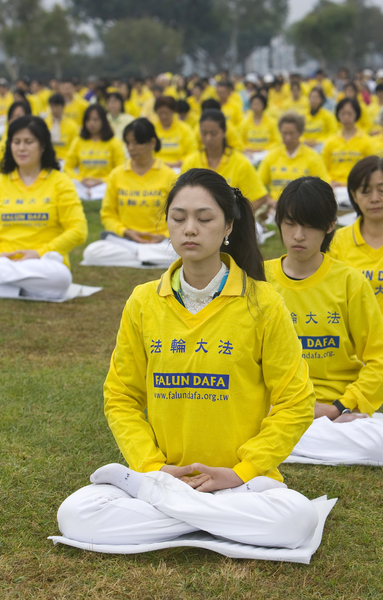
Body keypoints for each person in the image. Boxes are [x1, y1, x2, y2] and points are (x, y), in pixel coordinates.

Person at [56, 167, 319, 550]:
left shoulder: (263, 303)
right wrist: (152, 468)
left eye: (204, 219)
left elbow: (296, 401)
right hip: (162, 480)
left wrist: (241, 471)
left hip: (240, 484)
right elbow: (121, 397)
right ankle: (208, 519)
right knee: (74, 514)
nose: (189, 229)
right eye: (178, 218)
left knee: (298, 518)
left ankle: (178, 516)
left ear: (228, 225)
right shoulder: (143, 301)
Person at [264, 177, 383, 463]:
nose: (298, 235)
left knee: (380, 442)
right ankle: (288, 436)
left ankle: (282, 443)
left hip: (334, 411)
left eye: (309, 226)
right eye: (290, 224)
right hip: (275, 406)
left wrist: (339, 407)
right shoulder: (258, 280)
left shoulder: (350, 282)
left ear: (329, 226)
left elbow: (378, 359)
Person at [329, 156, 383, 388]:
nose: (375, 198)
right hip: (351, 345)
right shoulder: (336, 242)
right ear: (354, 195)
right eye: (365, 191)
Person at [0, 116, 87, 299]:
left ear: (42, 146)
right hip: (4, 260)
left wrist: (39, 253)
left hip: (43, 262)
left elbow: (78, 230)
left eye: (28, 142)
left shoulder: (60, 182)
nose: (21, 148)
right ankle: (22, 289)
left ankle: (8, 288)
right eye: (16, 142)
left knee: (61, 277)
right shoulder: (2, 182)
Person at [83, 119, 177, 267]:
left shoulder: (169, 176)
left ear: (152, 143)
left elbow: (179, 216)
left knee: (178, 252)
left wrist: (163, 236)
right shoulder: (116, 174)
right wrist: (126, 232)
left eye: (137, 143)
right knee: (92, 252)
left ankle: (142, 256)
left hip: (160, 242)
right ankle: (146, 258)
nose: (131, 148)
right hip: (125, 241)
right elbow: (107, 215)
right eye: (128, 143)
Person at [182, 109, 268, 211]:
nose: (208, 138)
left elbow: (259, 197)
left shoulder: (239, 162)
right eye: (204, 133)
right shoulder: (191, 162)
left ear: (224, 132)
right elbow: (181, 196)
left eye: (213, 133)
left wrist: (238, 216)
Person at [258, 111, 330, 209]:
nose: (288, 137)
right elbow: (258, 184)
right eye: (284, 133)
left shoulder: (313, 157)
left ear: (300, 133)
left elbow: (323, 186)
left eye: (292, 133)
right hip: (275, 206)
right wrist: (269, 200)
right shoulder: (271, 156)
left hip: (303, 207)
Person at [64, 105, 125, 201]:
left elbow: (120, 168)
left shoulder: (114, 142)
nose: (91, 123)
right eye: (88, 120)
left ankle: (90, 195)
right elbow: (67, 167)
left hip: (104, 184)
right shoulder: (78, 141)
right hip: (82, 184)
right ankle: (89, 194)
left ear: (103, 121)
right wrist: (80, 179)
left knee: (113, 186)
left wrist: (102, 180)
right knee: (70, 184)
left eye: (95, 120)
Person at [322, 98, 373, 189]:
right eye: (342, 114)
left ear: (357, 114)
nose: (346, 117)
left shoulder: (367, 141)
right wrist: (329, 181)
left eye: (350, 113)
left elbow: (371, 167)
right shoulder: (330, 141)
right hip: (334, 187)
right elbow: (323, 168)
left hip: (358, 187)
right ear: (338, 115)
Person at [153, 96, 197, 169]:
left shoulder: (185, 129)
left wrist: (179, 163)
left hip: (180, 168)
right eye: (160, 113)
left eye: (166, 113)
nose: (163, 116)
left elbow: (192, 152)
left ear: (173, 111)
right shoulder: (152, 129)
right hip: (156, 167)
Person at [239, 94, 280, 158]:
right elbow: (240, 141)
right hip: (249, 153)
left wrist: (264, 149)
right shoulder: (244, 123)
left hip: (267, 153)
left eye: (258, 104)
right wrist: (247, 149)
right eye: (254, 104)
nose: (256, 106)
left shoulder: (272, 123)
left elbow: (277, 141)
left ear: (264, 105)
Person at [45, 94, 79, 164]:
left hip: (65, 161)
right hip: (48, 160)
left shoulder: (72, 125)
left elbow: (75, 148)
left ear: (63, 107)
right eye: (52, 107)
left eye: (57, 107)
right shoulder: (45, 123)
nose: (55, 110)